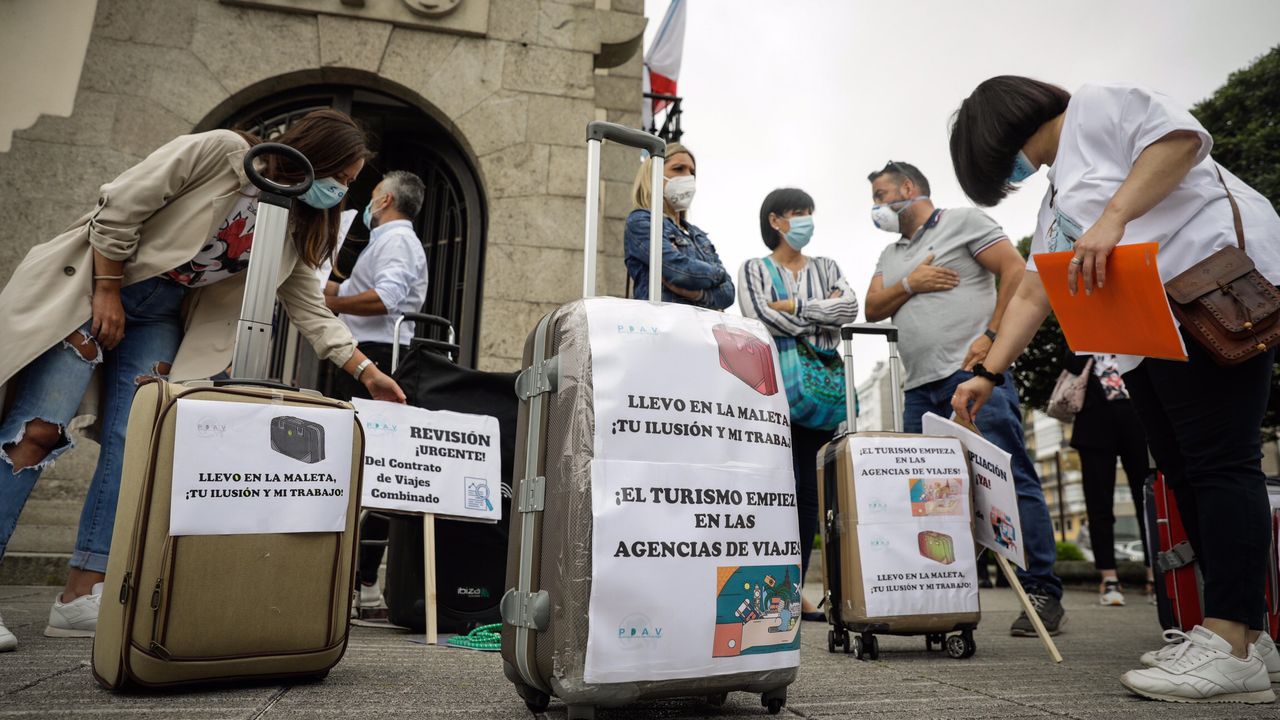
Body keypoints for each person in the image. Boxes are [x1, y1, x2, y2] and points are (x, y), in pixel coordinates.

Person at [0, 110, 406, 652]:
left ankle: (81, 595)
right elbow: (120, 204)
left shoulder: (296, 220)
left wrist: (366, 370)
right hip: (100, 284)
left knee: (137, 444)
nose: (341, 192)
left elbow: (306, 302)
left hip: (162, 315)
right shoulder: (219, 153)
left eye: (351, 185)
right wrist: (106, 292)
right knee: (38, 430)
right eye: (345, 177)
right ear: (316, 155)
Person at [949, 76, 1280, 704]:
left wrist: (1114, 218)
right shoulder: (1054, 197)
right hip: (1145, 332)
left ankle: (1230, 639)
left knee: (1219, 466)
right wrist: (989, 370)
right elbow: (1035, 290)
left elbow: (1180, 141)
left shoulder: (1095, 109)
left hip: (1204, 299)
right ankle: (1244, 638)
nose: (1007, 175)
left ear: (1001, 134)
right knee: (1183, 474)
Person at [862, 160, 1066, 637]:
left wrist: (994, 338)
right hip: (919, 390)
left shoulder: (964, 222)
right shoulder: (891, 254)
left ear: (908, 188)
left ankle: (1042, 590)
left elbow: (1016, 272)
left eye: (880, 195)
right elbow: (872, 308)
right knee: (930, 498)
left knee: (1009, 478)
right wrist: (912, 283)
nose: (876, 207)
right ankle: (940, 591)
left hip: (971, 376)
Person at [738, 188, 860, 622]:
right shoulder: (754, 268)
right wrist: (817, 317)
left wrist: (795, 307)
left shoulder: (827, 266)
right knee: (773, 490)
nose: (806, 219)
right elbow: (758, 315)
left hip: (819, 394)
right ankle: (767, 589)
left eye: (810, 212)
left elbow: (849, 307)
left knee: (809, 496)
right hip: (770, 391)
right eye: (797, 213)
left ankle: (797, 591)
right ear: (776, 220)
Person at [323, 169, 429, 611]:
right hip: (366, 349)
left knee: (368, 461)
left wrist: (333, 303)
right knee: (363, 459)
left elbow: (386, 298)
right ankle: (359, 578)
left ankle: (362, 579)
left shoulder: (396, 241)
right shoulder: (386, 241)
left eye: (370, 196)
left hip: (376, 354)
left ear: (383, 200)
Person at [1063, 352, 1154, 606]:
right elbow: (1070, 362)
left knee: (1147, 501)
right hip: (1094, 420)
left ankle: (1154, 576)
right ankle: (1109, 578)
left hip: (1137, 418)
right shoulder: (1082, 325)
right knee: (1098, 503)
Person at [624, 143, 734, 308]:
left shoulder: (697, 234)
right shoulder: (641, 222)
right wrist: (719, 275)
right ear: (654, 174)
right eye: (678, 169)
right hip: (661, 325)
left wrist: (699, 294)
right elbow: (679, 272)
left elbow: (729, 294)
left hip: (700, 329)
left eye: (692, 172)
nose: (688, 177)